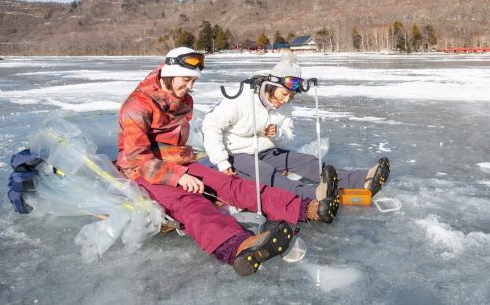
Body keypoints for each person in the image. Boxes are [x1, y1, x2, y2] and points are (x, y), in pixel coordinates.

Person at [116, 47, 339, 276]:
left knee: (231, 185)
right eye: (186, 80)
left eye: (193, 81)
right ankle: (238, 247)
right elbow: (137, 157)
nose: (190, 87)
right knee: (190, 203)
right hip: (144, 169)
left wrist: (182, 169)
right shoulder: (137, 106)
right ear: (170, 73)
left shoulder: (183, 99)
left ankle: (305, 208)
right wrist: (178, 176)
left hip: (178, 161)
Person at [202, 50, 390, 200]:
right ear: (271, 85)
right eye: (284, 94)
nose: (286, 100)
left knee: (305, 161)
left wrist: (276, 134)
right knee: (266, 173)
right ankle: (312, 195)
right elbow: (210, 125)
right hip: (235, 155)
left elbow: (288, 136)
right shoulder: (243, 98)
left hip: (265, 151)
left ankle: (361, 178)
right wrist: (221, 161)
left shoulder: (284, 106)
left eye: (291, 97)